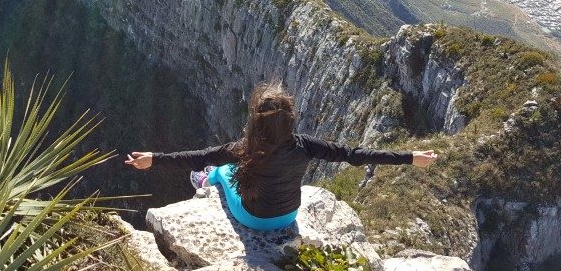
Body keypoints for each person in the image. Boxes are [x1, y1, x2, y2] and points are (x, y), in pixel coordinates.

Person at [125, 82, 438, 231]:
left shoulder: (243, 149)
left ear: (256, 121)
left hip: (252, 218)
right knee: (223, 162)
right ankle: (209, 177)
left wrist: (153, 158)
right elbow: (356, 155)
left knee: (217, 168)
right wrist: (411, 157)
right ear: (291, 120)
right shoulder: (307, 146)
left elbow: (195, 156)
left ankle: (205, 181)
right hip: (289, 216)